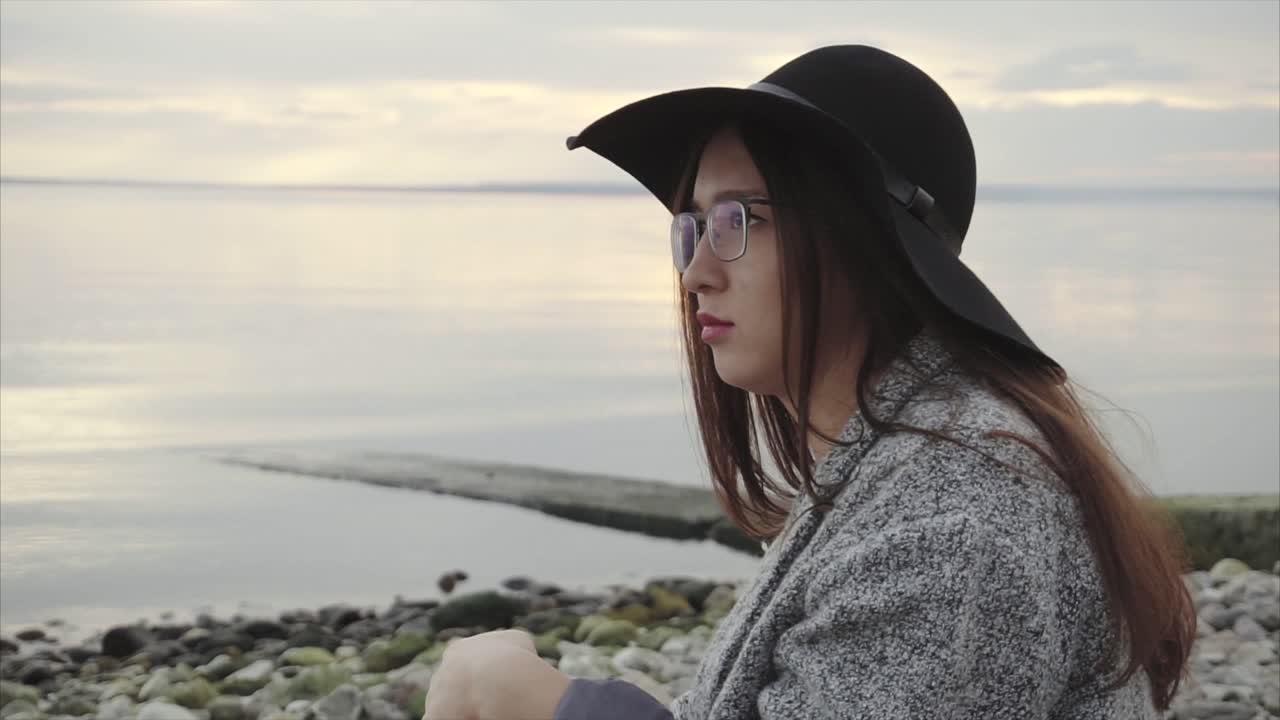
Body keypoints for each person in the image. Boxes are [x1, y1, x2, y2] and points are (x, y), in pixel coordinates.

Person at [423, 44, 1197, 720]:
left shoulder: (958, 508)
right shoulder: (895, 457)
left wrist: (539, 704)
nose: (695, 274)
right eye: (690, 228)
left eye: (736, 222)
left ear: (860, 239)